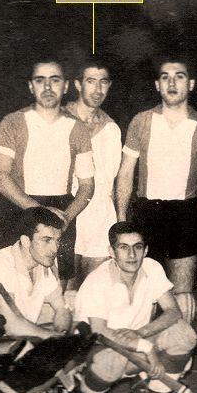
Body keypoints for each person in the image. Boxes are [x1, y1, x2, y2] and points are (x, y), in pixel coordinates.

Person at [115, 57, 197, 322]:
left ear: (191, 84)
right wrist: (121, 220)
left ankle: (178, 348)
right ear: (157, 85)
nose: (172, 82)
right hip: (146, 212)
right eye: (165, 77)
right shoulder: (142, 121)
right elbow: (125, 173)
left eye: (179, 76)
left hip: (183, 215)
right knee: (141, 294)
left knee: (182, 297)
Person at [72, 222, 197, 393]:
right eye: (123, 247)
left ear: (145, 250)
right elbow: (99, 332)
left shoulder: (151, 267)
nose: (132, 255)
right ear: (111, 252)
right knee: (113, 360)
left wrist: (140, 333)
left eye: (137, 247)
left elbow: (173, 311)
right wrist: (146, 348)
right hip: (99, 348)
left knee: (183, 334)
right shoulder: (97, 280)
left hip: (136, 340)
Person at [0, 59, 95, 286]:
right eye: (40, 80)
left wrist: (66, 216)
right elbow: (0, 177)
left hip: (61, 213)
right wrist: (39, 211)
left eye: (54, 80)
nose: (47, 87)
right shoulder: (12, 122)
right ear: (31, 86)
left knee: (57, 287)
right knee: (17, 284)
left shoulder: (77, 128)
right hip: (21, 209)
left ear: (65, 86)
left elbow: (87, 185)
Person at [0, 206, 72, 340]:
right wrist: (56, 338)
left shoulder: (43, 263)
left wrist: (63, 333)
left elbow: (62, 308)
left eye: (58, 240)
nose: (55, 249)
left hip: (16, 342)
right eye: (46, 240)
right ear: (26, 241)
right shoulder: (1, 263)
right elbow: (11, 326)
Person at [64, 60, 122, 286]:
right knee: (61, 294)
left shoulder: (112, 129)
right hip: (66, 216)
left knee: (94, 293)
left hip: (100, 222)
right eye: (90, 81)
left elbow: (111, 185)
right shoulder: (60, 120)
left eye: (103, 82)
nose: (97, 89)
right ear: (78, 84)